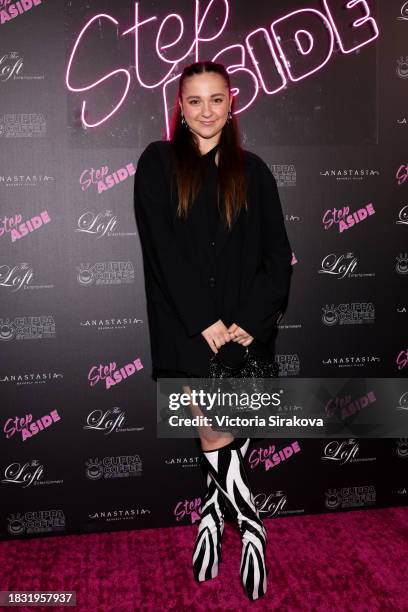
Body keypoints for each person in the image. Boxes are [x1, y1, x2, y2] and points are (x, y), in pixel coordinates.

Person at [134, 60, 292, 601]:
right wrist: (207, 323)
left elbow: (278, 257)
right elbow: (163, 252)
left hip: (247, 331)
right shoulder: (157, 164)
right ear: (180, 106)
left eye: (216, 99)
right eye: (194, 100)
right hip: (185, 327)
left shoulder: (255, 171)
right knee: (214, 428)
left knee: (227, 430)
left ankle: (208, 516)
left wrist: (247, 323)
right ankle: (251, 528)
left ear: (231, 104)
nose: (206, 110)